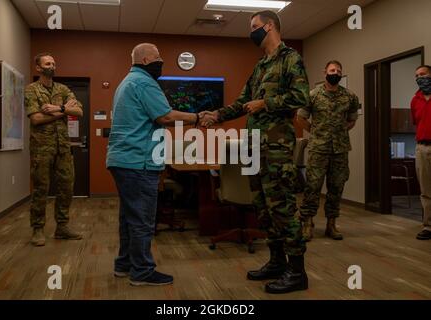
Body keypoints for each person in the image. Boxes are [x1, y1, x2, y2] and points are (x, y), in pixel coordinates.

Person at [201, 11, 309, 294]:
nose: (251, 34)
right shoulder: (260, 67)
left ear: (269, 26)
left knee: (282, 208)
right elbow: (241, 103)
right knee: (263, 209)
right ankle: (276, 262)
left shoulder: (290, 59)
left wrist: (266, 103)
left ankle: (297, 272)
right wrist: (217, 115)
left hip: (276, 148)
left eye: (254, 28)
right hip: (254, 148)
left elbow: (301, 98)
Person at [107, 43, 201, 286]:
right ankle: (142, 272)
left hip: (122, 160)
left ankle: (124, 264)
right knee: (142, 220)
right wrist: (198, 117)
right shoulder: (144, 82)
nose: (161, 61)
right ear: (147, 59)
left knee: (129, 217)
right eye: (159, 57)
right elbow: (165, 116)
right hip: (139, 162)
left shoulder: (125, 83)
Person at [296, 61, 359, 242]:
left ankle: (331, 224)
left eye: (339, 71)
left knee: (336, 187)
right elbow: (300, 118)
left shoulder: (350, 97)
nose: (335, 73)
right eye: (332, 70)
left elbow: (352, 120)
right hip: (319, 148)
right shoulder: (313, 95)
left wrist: (339, 131)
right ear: (325, 73)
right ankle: (307, 222)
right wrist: (316, 132)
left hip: (340, 149)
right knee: (313, 186)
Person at [25, 53, 83, 246]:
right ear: (39, 68)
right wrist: (63, 111)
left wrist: (58, 108)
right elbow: (36, 119)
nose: (52, 65)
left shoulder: (63, 89)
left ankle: (62, 227)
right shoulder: (31, 90)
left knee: (66, 187)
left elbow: (79, 111)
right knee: (41, 189)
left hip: (63, 148)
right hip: (41, 148)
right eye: (48, 63)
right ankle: (38, 229)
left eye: (54, 63)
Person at [411, 65, 431, 240]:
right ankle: (429, 226)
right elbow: (416, 123)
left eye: (423, 74)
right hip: (422, 148)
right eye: (417, 76)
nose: (419, 78)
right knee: (426, 189)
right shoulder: (415, 100)